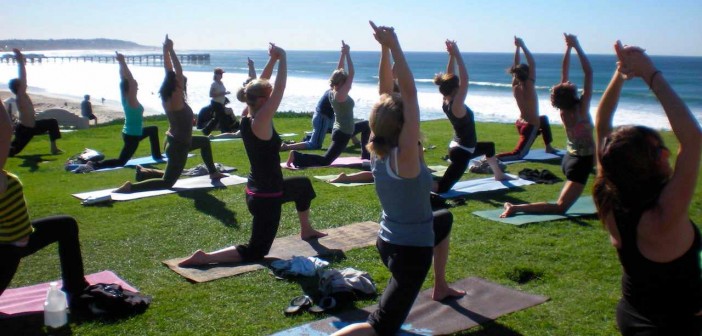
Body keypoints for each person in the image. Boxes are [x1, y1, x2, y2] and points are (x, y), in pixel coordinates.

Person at [332, 22, 465, 336]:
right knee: (380, 328)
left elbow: (386, 92)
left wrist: (384, 48)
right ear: (403, 125)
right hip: (409, 253)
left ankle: (441, 286)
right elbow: (409, 92)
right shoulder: (405, 156)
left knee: (443, 220)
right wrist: (395, 44)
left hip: (388, 240)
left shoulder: (379, 146)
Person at [178, 43, 326, 267]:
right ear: (265, 101)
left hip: (259, 188)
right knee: (256, 251)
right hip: (267, 197)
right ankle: (205, 257)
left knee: (303, 186)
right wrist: (283, 58)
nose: (273, 95)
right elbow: (279, 89)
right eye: (269, 94)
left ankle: (306, 230)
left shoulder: (248, 114)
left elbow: (257, 87)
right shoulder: (261, 122)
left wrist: (273, 60)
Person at [594, 41, 701, 335]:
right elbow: (692, 138)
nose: (667, 152)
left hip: (632, 313)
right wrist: (650, 73)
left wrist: (621, 74)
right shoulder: (664, 215)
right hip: (674, 326)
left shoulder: (607, 197)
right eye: (658, 150)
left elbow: (602, 123)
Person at [0, 100, 89, 309]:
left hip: (13, 244)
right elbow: (4, 129)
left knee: (65, 225)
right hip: (7, 253)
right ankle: (77, 292)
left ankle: (76, 288)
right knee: (65, 225)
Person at [115, 36, 226, 193]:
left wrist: (165, 50)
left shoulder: (169, 97)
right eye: (181, 82)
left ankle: (213, 172)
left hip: (175, 141)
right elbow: (176, 71)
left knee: (204, 141)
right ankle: (130, 187)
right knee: (168, 182)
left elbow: (169, 71)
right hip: (179, 146)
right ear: (177, 85)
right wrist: (171, 50)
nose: (183, 83)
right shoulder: (175, 98)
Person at [501, 33, 594, 218]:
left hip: (571, 158)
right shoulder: (581, 109)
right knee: (560, 207)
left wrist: (569, 48)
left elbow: (564, 73)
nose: (568, 81)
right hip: (580, 162)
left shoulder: (563, 109)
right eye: (569, 84)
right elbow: (589, 73)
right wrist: (577, 47)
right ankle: (516, 207)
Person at [432, 40, 511, 194]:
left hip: (461, 147)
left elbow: (451, 76)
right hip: (462, 152)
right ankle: (415, 186)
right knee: (441, 189)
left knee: (489, 146)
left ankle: (499, 175)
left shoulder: (446, 100)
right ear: (456, 88)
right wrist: (458, 54)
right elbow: (465, 79)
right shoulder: (457, 105)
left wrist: (451, 56)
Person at [286, 41, 370, 167]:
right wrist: (347, 54)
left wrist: (342, 54)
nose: (348, 82)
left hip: (346, 128)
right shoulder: (340, 95)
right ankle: (296, 155)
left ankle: (366, 155)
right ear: (341, 82)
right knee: (326, 161)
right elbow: (351, 73)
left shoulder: (332, 91)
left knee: (367, 125)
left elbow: (339, 70)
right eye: (346, 81)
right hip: (342, 133)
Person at [87, 52, 163, 170]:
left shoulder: (125, 96)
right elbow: (131, 80)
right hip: (132, 136)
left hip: (132, 132)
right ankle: (94, 165)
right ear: (130, 89)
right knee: (121, 161)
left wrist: (120, 64)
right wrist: (123, 62)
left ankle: (157, 155)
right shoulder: (131, 100)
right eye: (135, 86)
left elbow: (123, 78)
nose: (137, 87)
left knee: (153, 129)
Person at [496, 37, 556, 162]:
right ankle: (492, 158)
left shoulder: (515, 86)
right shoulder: (529, 85)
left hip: (520, 122)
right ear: (528, 74)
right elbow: (532, 63)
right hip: (530, 126)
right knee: (518, 154)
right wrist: (523, 46)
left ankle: (549, 147)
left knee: (543, 119)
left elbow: (516, 65)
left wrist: (517, 48)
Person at [8, 49, 63, 156]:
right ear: (19, 87)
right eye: (22, 85)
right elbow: (23, 78)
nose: (26, 85)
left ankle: (54, 148)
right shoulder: (20, 96)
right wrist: (20, 63)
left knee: (52, 123)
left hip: (33, 126)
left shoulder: (23, 96)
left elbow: (23, 81)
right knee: (11, 152)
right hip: (25, 130)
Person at [202, 67, 231, 135]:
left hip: (220, 103)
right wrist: (223, 93)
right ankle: (226, 131)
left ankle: (206, 130)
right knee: (223, 117)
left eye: (222, 74)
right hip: (215, 103)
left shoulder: (221, 83)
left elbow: (222, 93)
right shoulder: (214, 84)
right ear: (216, 75)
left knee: (217, 118)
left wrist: (225, 94)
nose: (222, 75)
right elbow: (211, 94)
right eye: (220, 74)